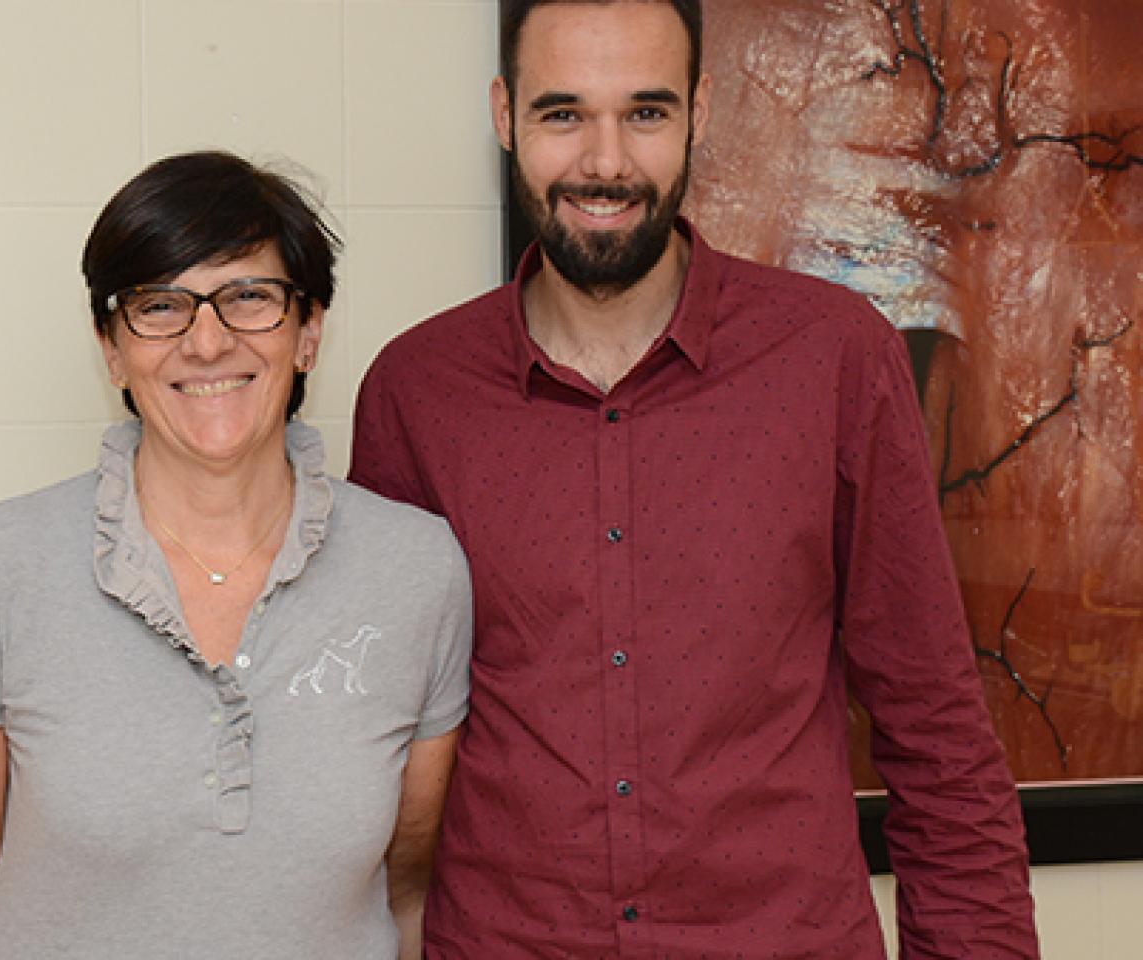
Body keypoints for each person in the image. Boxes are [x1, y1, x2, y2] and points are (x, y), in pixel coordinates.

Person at [348, 2, 1038, 957]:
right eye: (562, 114)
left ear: (700, 112)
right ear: (504, 116)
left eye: (645, 112)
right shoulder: (415, 393)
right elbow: (375, 744)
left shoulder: (834, 361)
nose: (605, 162)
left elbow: (938, 734)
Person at [0, 150, 472, 959]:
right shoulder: (3, 563)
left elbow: (410, 895)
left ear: (309, 331)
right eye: (161, 305)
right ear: (112, 348)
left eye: (249, 297)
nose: (207, 341)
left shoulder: (417, 571)